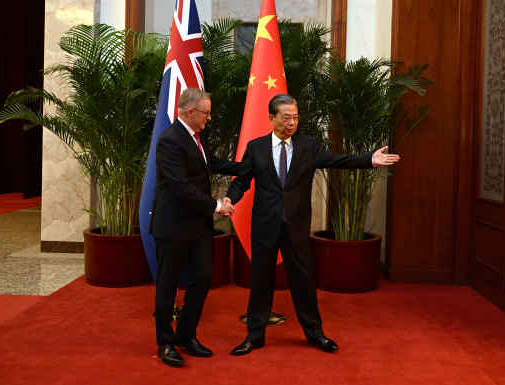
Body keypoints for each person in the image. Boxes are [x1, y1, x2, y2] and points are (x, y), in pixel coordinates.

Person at [226, 93, 400, 356]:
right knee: (261, 281)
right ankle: (254, 335)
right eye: (286, 118)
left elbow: (335, 161)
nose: (292, 123)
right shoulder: (256, 147)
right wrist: (230, 198)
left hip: (295, 227)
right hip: (265, 225)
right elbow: (241, 180)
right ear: (271, 118)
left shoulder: (308, 146)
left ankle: (315, 334)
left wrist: (369, 159)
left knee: (304, 282)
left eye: (296, 117)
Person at [150, 88, 240, 367]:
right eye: (206, 113)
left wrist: (247, 166)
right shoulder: (169, 140)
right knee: (168, 285)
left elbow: (210, 165)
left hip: (198, 226)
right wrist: (218, 206)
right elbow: (182, 188)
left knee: (204, 276)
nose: (210, 118)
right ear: (190, 112)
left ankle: (186, 334)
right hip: (173, 225)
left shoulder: (198, 137)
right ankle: (165, 341)